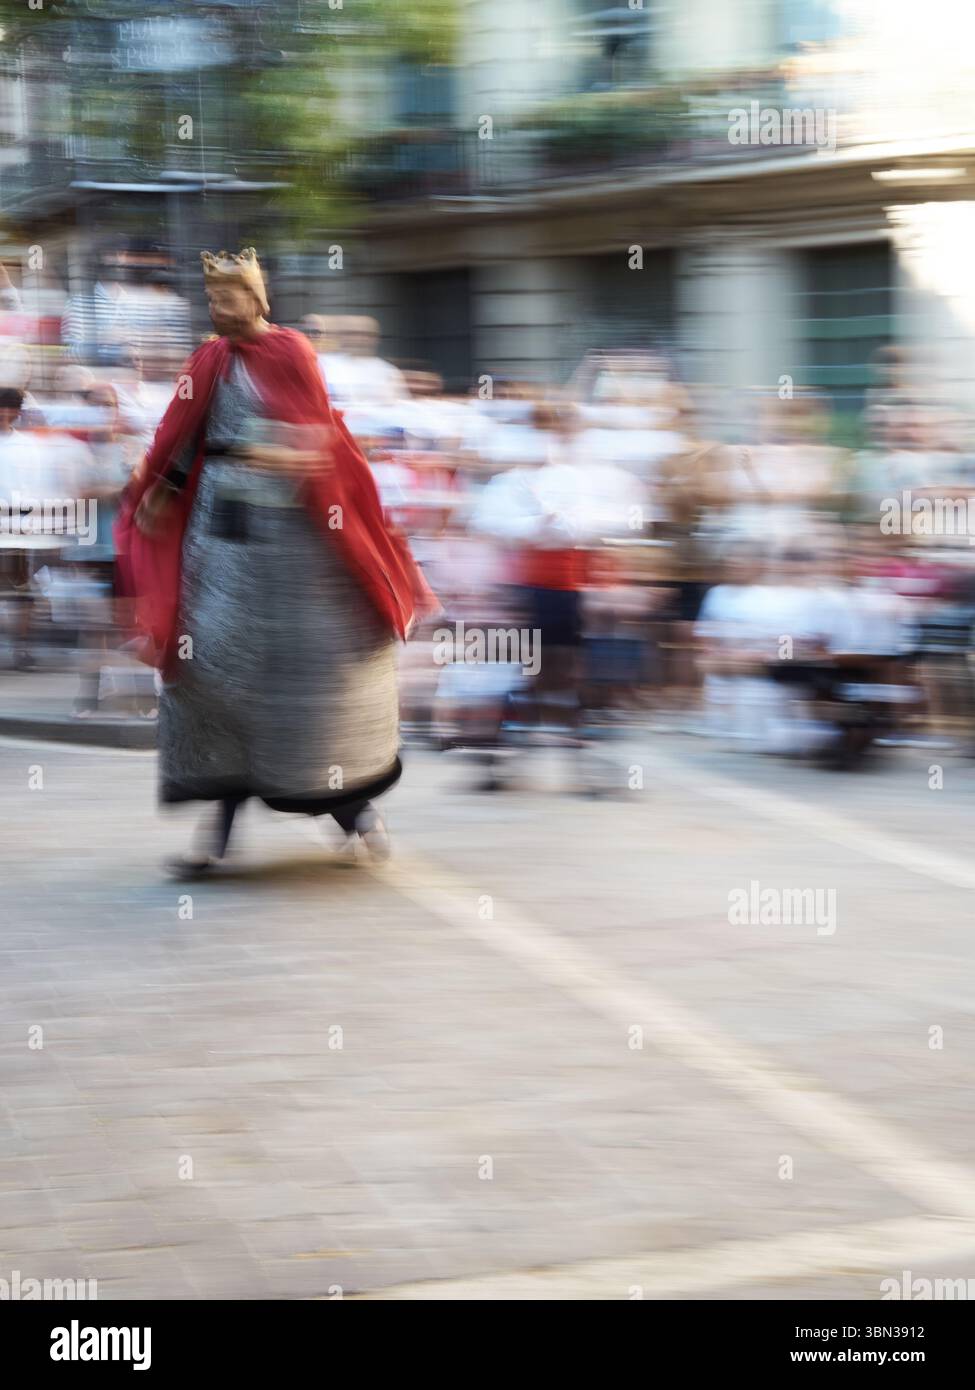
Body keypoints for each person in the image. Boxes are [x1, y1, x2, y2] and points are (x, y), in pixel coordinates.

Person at [116, 248, 436, 877]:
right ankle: (216, 836)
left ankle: (356, 816)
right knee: (209, 675)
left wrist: (284, 457)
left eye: (228, 299)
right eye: (211, 300)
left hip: (298, 550)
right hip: (221, 540)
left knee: (302, 691)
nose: (218, 309)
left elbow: (316, 438)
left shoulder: (292, 352)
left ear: (256, 300)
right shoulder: (208, 357)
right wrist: (160, 489)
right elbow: (185, 433)